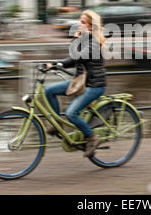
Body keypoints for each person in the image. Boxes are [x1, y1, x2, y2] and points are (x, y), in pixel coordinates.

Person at [44, 10, 107, 158]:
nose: (79, 24)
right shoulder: (84, 40)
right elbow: (73, 57)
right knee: (49, 90)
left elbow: (78, 57)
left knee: (72, 113)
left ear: (91, 27)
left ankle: (92, 137)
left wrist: (58, 62)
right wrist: (55, 64)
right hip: (80, 82)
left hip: (94, 86)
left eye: (83, 22)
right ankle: (57, 125)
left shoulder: (94, 43)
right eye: (80, 21)